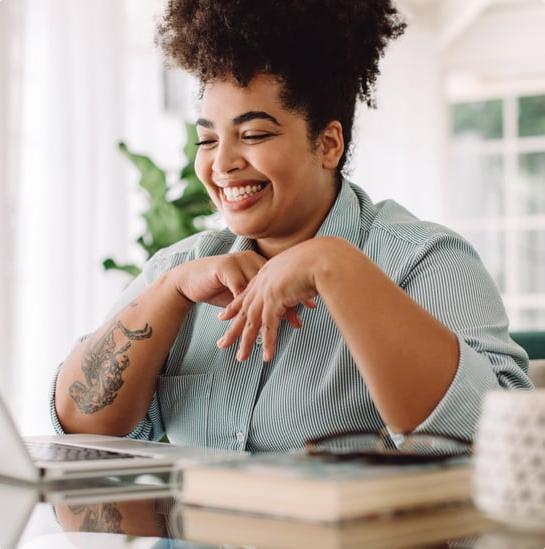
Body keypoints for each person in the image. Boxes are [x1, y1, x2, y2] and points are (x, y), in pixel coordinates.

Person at [51, 0, 531, 451]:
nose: (223, 163)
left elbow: (493, 441)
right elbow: (80, 428)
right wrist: (169, 293)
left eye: (254, 134)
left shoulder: (424, 261)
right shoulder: (183, 269)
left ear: (328, 144)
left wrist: (336, 265)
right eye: (207, 140)